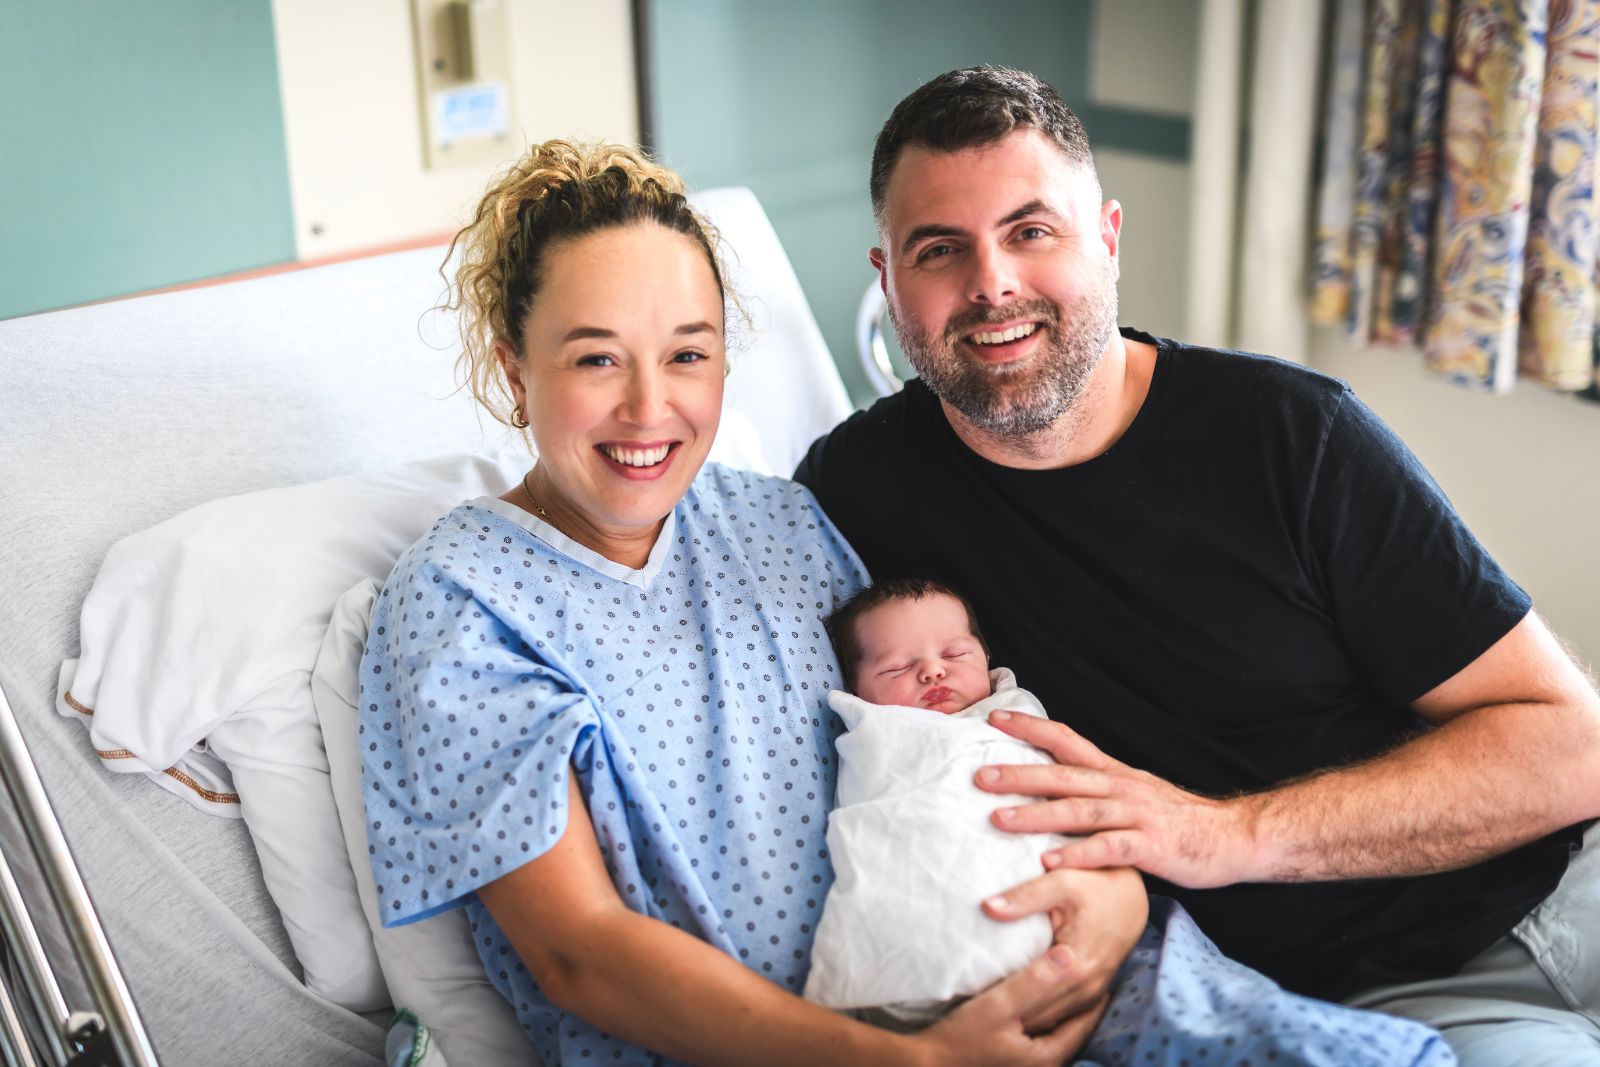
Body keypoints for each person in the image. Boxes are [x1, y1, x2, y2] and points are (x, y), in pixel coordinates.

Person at [794, 66, 1600, 1064]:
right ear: (886, 279)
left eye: (1031, 231)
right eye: (939, 249)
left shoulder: (1290, 437)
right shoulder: (852, 490)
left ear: (1109, 240)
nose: (991, 282)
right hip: (1325, 1005)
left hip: (1542, 907)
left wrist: (1225, 835)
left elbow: (1571, 745)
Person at [359, 139, 1146, 1067]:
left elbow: (947, 739)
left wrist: (1117, 890)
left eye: (687, 354)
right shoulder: (464, 600)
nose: (650, 409)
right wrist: (912, 1061)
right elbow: (582, 955)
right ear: (511, 365)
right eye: (597, 360)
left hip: (969, 975)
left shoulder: (782, 524)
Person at [805, 578, 1454, 1066]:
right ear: (856, 689)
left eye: (954, 650)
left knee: (1228, 1022)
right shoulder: (875, 738)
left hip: (1115, 945)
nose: (933, 670)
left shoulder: (1018, 716)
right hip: (923, 972)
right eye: (895, 667)